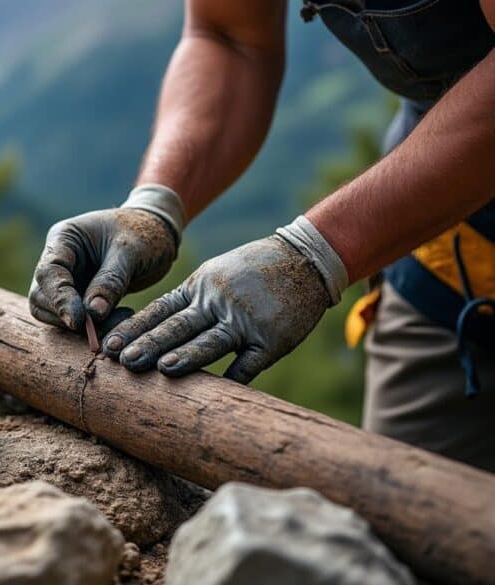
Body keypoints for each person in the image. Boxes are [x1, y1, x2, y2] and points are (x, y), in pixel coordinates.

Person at [29, 0, 495, 471]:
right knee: (405, 518)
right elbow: (228, 36)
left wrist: (317, 252)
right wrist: (154, 206)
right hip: (451, 264)